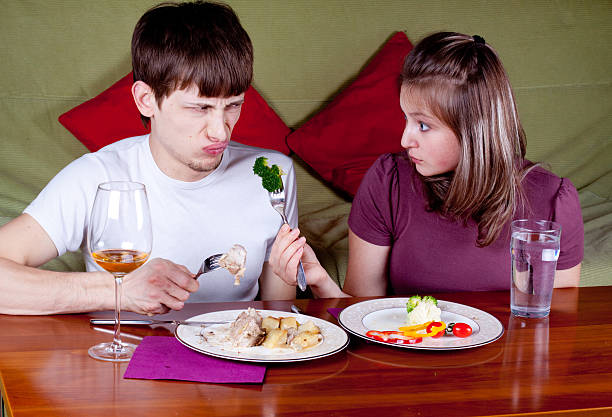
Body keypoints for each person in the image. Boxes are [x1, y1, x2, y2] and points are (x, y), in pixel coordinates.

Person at [0, 1, 297, 315]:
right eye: (200, 108)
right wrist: (119, 292)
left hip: (232, 355)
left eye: (233, 105)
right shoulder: (97, 177)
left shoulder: (273, 174)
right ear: (145, 100)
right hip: (123, 355)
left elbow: (277, 314)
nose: (220, 133)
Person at [270, 32, 584, 298]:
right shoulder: (388, 182)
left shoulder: (553, 201)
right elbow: (360, 317)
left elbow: (556, 327)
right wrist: (321, 280)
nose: (405, 140)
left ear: (474, 129)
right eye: (406, 118)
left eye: (423, 125)